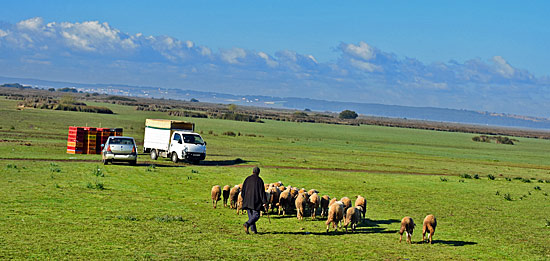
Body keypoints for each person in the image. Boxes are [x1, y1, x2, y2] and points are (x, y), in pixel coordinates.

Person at [241, 166, 268, 234]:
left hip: (247, 200)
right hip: (255, 201)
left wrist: (244, 198)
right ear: (258, 173)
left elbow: (243, 190)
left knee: (251, 215)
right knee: (256, 215)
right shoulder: (259, 180)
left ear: (252, 172)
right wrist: (264, 201)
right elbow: (262, 192)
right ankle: (247, 224)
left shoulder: (247, 179)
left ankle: (253, 230)